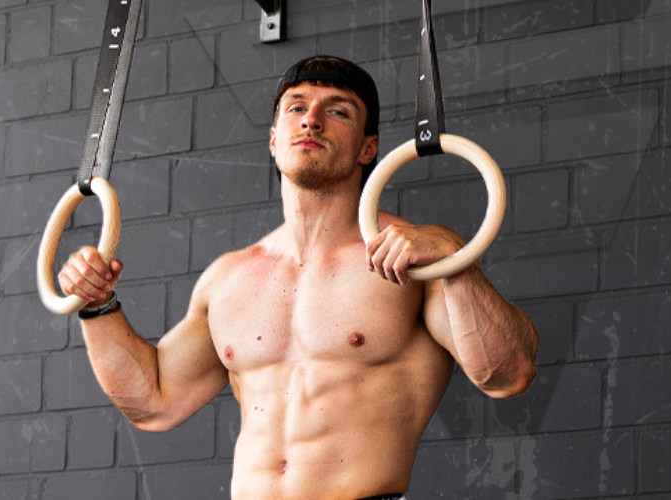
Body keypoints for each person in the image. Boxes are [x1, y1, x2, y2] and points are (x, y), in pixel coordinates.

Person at [58, 55, 538, 500]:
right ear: (272, 138)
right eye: (296, 108)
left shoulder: (415, 258)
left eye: (339, 111)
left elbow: (508, 374)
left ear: (368, 147)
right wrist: (95, 305)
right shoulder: (229, 277)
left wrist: (457, 263)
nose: (311, 119)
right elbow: (155, 402)